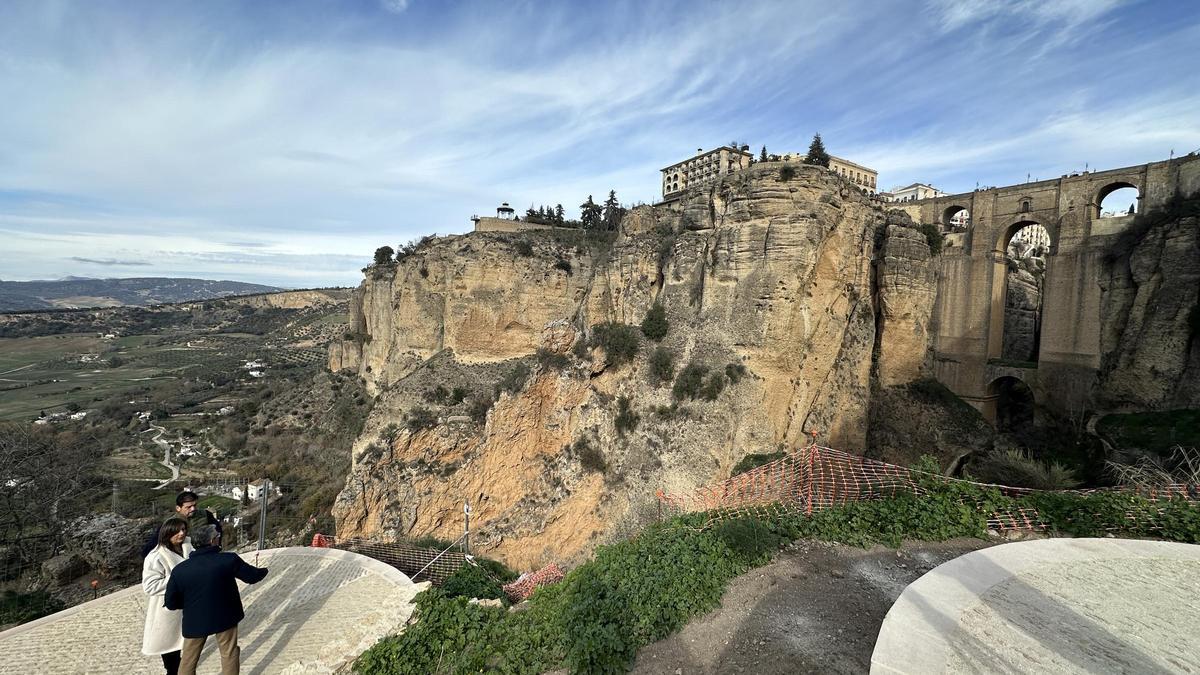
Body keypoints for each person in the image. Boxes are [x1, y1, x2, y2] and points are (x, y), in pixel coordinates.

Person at [164, 524, 268, 675]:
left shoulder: (180, 570)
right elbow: (252, 577)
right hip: (225, 617)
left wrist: (188, 605)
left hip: (195, 621)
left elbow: (171, 603)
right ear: (213, 540)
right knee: (229, 653)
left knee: (188, 660)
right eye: (218, 537)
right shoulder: (228, 560)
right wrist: (264, 570)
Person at [142, 518, 193, 674]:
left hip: (189, 606)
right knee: (171, 653)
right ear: (167, 533)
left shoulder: (189, 547)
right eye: (177, 530)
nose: (182, 533)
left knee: (189, 650)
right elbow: (150, 586)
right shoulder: (156, 556)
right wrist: (177, 578)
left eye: (184, 529)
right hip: (168, 610)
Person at [141, 491, 222, 558]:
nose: (193, 509)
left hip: (205, 553)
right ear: (178, 508)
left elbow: (217, 531)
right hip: (182, 557)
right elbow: (155, 543)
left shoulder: (205, 515)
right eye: (188, 507)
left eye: (194, 505)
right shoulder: (170, 523)